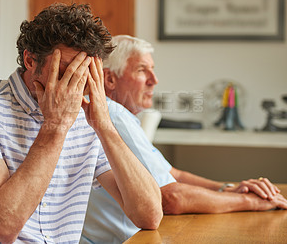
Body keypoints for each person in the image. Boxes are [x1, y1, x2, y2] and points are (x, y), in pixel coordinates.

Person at [0, 5, 163, 243]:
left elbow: (149, 216)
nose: (78, 83)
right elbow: (4, 226)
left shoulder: (85, 119)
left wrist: (105, 126)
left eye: (87, 72)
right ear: (30, 60)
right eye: (68, 70)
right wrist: (55, 126)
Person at [81, 35, 287, 243]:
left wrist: (227, 188)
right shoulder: (112, 114)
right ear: (109, 79)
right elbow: (171, 198)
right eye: (142, 70)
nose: (154, 79)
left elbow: (173, 174)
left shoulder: (120, 115)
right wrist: (249, 202)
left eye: (153, 69)